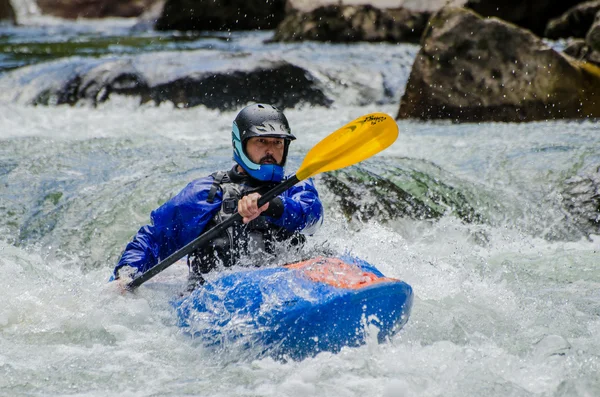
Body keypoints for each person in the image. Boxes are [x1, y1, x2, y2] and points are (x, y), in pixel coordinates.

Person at [111, 103, 323, 290]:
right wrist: (127, 273)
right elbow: (154, 238)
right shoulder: (207, 193)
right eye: (262, 141)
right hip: (215, 296)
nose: (271, 150)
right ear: (241, 144)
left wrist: (272, 205)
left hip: (283, 286)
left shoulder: (295, 186)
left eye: (278, 143)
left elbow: (312, 219)